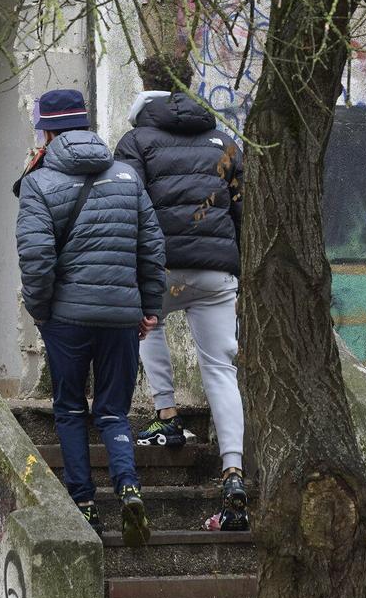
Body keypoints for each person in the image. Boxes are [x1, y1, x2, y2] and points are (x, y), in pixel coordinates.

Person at [16, 88, 166, 546]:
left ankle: (83, 501)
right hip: (121, 316)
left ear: (47, 130)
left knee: (69, 408)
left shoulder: (39, 182)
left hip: (67, 318)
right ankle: (128, 487)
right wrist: (149, 307)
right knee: (114, 411)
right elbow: (152, 246)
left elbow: (37, 257)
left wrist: (41, 312)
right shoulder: (125, 175)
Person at [115, 56, 250, 531]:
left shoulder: (136, 142)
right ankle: (233, 472)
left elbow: (125, 204)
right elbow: (240, 208)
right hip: (217, 271)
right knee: (220, 369)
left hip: (163, 267)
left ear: (144, 86)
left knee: (147, 324)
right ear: (189, 84)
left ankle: (166, 413)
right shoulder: (223, 141)